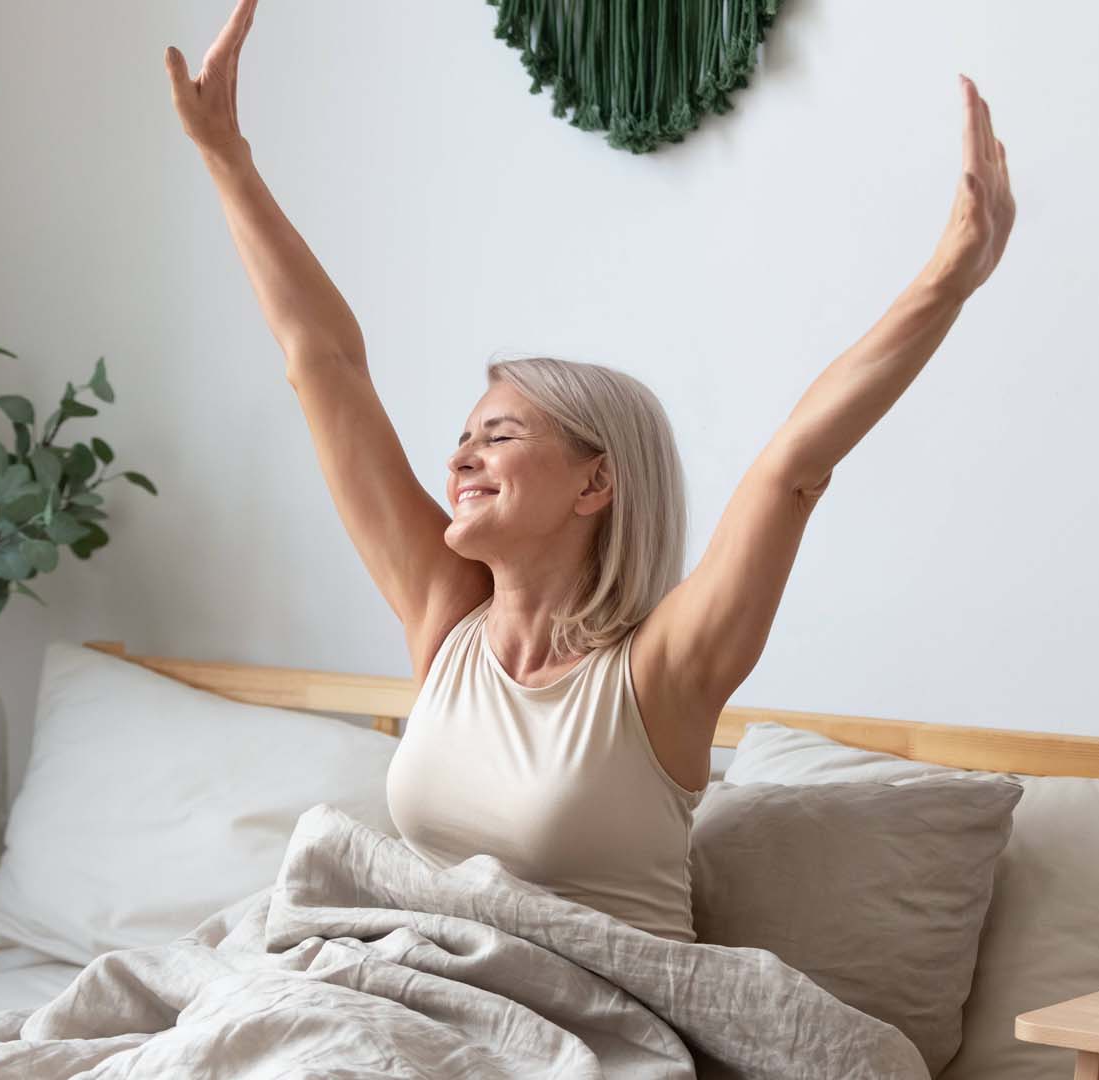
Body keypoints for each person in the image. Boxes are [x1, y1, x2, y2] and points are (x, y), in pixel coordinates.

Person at [164, 0, 1015, 941]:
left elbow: (793, 468)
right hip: (420, 994)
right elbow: (324, 365)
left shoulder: (661, 674)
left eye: (499, 435)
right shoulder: (446, 625)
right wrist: (225, 159)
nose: (460, 457)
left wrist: (948, 278)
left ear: (594, 482)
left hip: (594, 1023)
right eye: (464, 437)